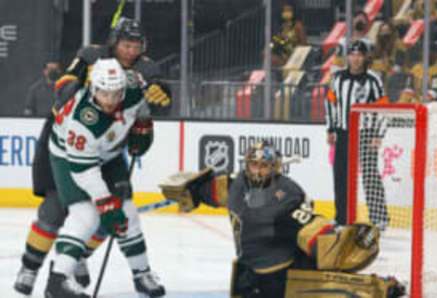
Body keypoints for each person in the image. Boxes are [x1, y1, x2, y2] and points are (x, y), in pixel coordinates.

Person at [13, 17, 171, 296]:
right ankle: (33, 268)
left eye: (136, 45)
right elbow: (65, 87)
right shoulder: (85, 100)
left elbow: (151, 103)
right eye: (126, 44)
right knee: (60, 211)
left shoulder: (138, 81)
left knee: (122, 214)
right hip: (70, 149)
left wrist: (154, 109)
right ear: (113, 43)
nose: (131, 51)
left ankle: (79, 259)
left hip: (108, 150)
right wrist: (71, 90)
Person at [160, 141, 404, 298]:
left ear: (275, 168)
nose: (257, 170)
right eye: (253, 164)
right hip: (249, 274)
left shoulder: (286, 195)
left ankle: (378, 288)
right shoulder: (236, 184)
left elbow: (311, 227)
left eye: (264, 166)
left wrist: (339, 243)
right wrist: (192, 190)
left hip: (281, 278)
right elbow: (211, 190)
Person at [44, 58, 164, 298]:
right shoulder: (82, 122)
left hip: (108, 154)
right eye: (104, 94)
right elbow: (86, 171)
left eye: (115, 93)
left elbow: (141, 107)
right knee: (86, 215)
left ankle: (142, 274)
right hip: (69, 159)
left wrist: (143, 125)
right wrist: (105, 203)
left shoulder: (133, 87)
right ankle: (57, 282)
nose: (110, 100)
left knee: (128, 211)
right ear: (93, 88)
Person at [325, 40, 389, 227]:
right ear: (347, 57)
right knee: (340, 175)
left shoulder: (373, 79)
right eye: (352, 55)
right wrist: (331, 128)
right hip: (343, 132)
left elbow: (384, 107)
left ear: (365, 57)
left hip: (366, 133)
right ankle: (342, 217)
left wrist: (379, 134)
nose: (355, 59)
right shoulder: (337, 78)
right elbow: (330, 103)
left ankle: (379, 218)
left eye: (359, 55)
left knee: (369, 174)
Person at [271, 2, 307, 67]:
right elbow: (276, 40)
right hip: (283, 53)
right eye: (285, 11)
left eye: (289, 10)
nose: (287, 13)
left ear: (293, 12)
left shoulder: (298, 26)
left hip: (295, 55)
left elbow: (303, 45)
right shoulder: (281, 26)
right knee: (267, 54)